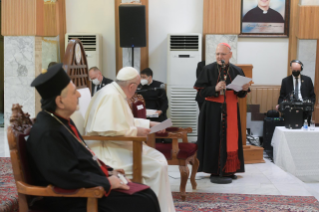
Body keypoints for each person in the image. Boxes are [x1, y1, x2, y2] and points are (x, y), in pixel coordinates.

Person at [27, 64, 161, 212]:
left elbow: (84, 154)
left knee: (147, 194)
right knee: (143, 202)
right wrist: (106, 182)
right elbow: (66, 176)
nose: (79, 95)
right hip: (72, 199)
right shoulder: (49, 132)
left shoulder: (62, 120)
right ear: (60, 102)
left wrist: (110, 171)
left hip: (86, 188)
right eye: (73, 92)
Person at [84, 67, 176, 212]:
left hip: (116, 143)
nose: (136, 91)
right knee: (157, 166)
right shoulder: (112, 96)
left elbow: (123, 121)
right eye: (136, 87)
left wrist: (149, 124)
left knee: (159, 159)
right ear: (131, 86)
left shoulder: (115, 92)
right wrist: (136, 131)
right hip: (107, 149)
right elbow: (106, 130)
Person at [194, 43, 250, 184]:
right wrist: (215, 88)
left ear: (230, 55)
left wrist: (244, 88)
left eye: (223, 54)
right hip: (212, 110)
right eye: (218, 54)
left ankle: (228, 169)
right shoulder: (208, 69)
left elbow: (241, 95)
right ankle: (215, 170)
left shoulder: (237, 70)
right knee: (214, 139)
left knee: (230, 140)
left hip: (231, 108)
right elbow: (201, 92)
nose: (220, 57)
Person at [276, 60, 316, 124]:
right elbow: (282, 96)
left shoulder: (307, 80)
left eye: (298, 70)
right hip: (290, 108)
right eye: (294, 70)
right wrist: (279, 105)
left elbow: (312, 96)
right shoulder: (285, 81)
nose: (296, 72)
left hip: (304, 109)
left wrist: (311, 104)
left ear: (301, 69)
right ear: (291, 68)